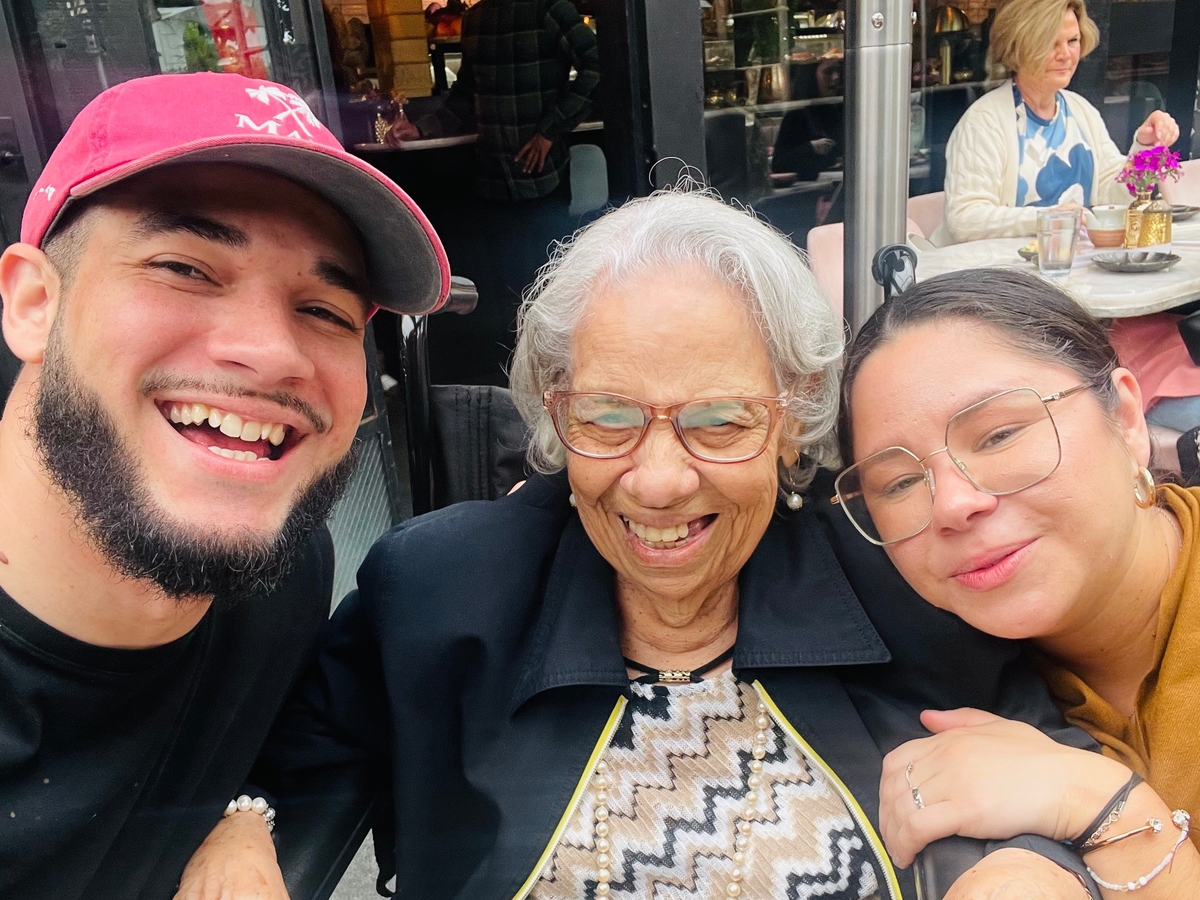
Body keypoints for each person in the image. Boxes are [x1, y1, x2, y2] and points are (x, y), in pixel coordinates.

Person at [180, 192, 1103, 900]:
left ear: (793, 421)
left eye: (719, 422)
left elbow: (1042, 755)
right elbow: (281, 745)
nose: (657, 481)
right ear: (554, 412)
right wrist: (242, 823)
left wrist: (1028, 866)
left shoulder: (896, 580)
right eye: (609, 419)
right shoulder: (439, 586)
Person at [0, 72, 449, 899]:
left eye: (325, 311)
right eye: (185, 267)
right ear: (34, 303)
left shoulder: (278, 571)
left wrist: (246, 811)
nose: (272, 351)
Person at [834, 268, 1200, 897]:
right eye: (899, 483)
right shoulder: (934, 680)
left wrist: (1099, 805)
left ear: (1126, 419)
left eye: (1000, 434)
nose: (953, 504)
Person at [935, 0, 1178, 245]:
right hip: (999, 268)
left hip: (1070, 263)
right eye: (1051, 43)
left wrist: (1146, 148)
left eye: (1072, 41)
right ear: (1019, 47)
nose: (1065, 55)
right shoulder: (983, 121)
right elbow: (964, 220)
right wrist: (1049, 218)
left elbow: (1114, 197)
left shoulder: (1081, 110)